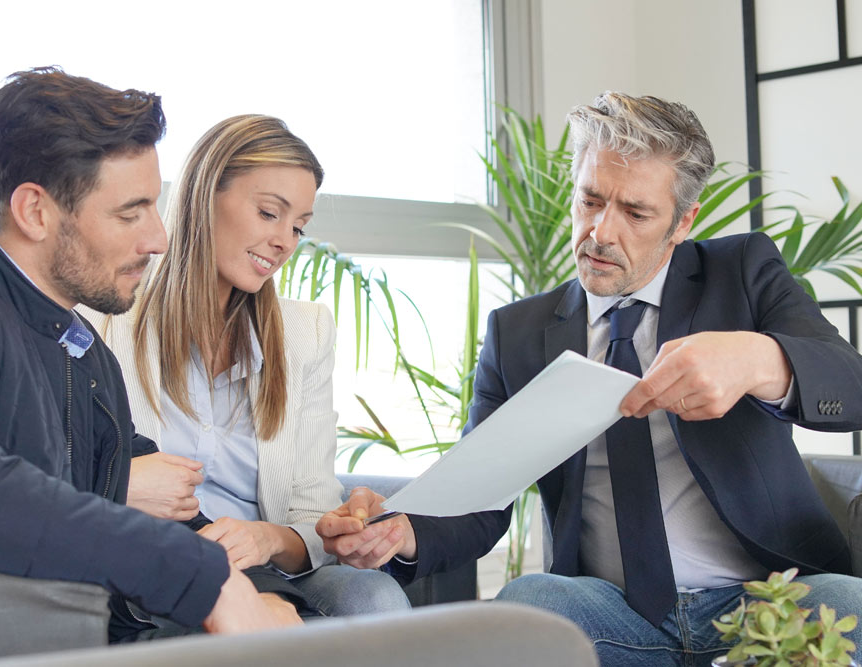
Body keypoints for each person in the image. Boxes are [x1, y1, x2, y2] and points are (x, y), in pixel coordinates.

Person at [317, 92, 862, 665]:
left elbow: (850, 387)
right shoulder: (518, 332)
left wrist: (758, 360)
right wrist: (403, 532)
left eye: (636, 213)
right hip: (615, 615)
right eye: (590, 201)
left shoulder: (742, 273)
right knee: (529, 601)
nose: (601, 232)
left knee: (852, 604)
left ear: (683, 221)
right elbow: (482, 494)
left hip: (769, 600)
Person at [0, 67, 303, 642]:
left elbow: (167, 516)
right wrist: (204, 579)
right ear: (35, 211)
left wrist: (265, 593)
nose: (158, 239)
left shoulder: (82, 350)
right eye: (131, 212)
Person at [82, 114, 410, 617]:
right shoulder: (103, 320)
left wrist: (266, 539)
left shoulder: (306, 333)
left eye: (298, 227)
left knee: (375, 598)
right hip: (150, 570)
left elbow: (312, 517)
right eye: (269, 213)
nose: (285, 241)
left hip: (268, 574)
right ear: (204, 195)